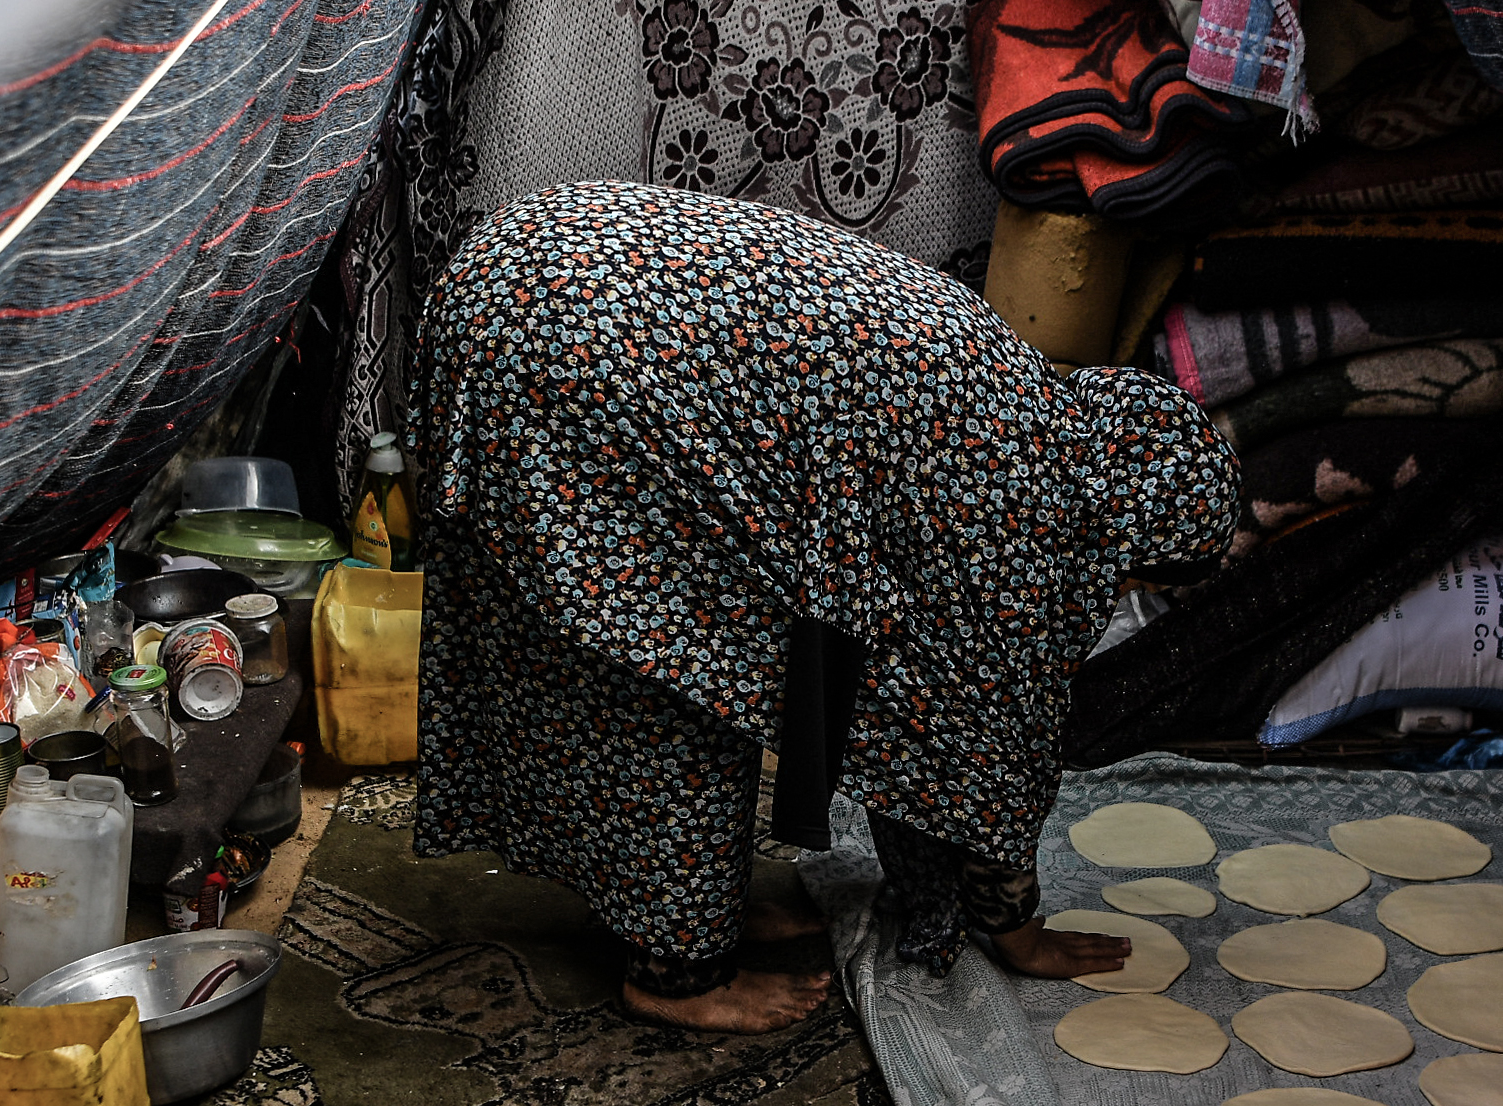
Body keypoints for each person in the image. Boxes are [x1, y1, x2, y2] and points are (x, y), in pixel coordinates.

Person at [414, 180, 1233, 1032]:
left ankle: (678, 905)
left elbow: (910, 693)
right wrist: (1008, 924)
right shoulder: (1017, 506)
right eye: (1136, 578)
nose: (1117, 594)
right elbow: (982, 742)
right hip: (576, 349)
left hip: (528, 263)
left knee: (629, 637)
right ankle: (676, 970)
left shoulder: (1020, 396)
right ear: (1127, 530)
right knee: (683, 655)